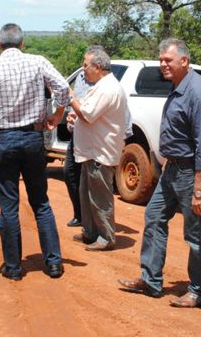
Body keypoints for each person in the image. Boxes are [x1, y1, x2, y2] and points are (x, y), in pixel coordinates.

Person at [118, 38, 201, 308]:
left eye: (168, 60)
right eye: (161, 60)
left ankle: (199, 291)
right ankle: (150, 280)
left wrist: (200, 189)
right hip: (172, 169)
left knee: (195, 232)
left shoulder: (198, 93)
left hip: (191, 173)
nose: (162, 64)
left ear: (184, 61)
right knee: (153, 217)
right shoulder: (179, 87)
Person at [0, 23, 71, 281]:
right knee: (41, 202)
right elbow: (63, 88)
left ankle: (13, 267)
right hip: (32, 137)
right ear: (22, 44)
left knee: (9, 205)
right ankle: (54, 263)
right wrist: (56, 115)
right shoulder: (38, 62)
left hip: (4, 139)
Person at [68, 46, 127, 251]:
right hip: (91, 151)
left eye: (85, 65)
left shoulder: (107, 88)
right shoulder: (102, 86)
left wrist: (70, 97)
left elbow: (87, 113)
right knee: (86, 193)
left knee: (100, 197)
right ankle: (90, 232)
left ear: (98, 66)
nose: (83, 69)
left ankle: (106, 236)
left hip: (99, 152)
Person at [64, 68, 92, 228]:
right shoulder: (82, 76)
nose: (84, 67)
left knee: (90, 179)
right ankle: (80, 214)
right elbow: (77, 101)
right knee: (70, 173)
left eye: (86, 64)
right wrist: (70, 116)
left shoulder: (106, 83)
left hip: (93, 136)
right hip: (77, 133)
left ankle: (92, 220)